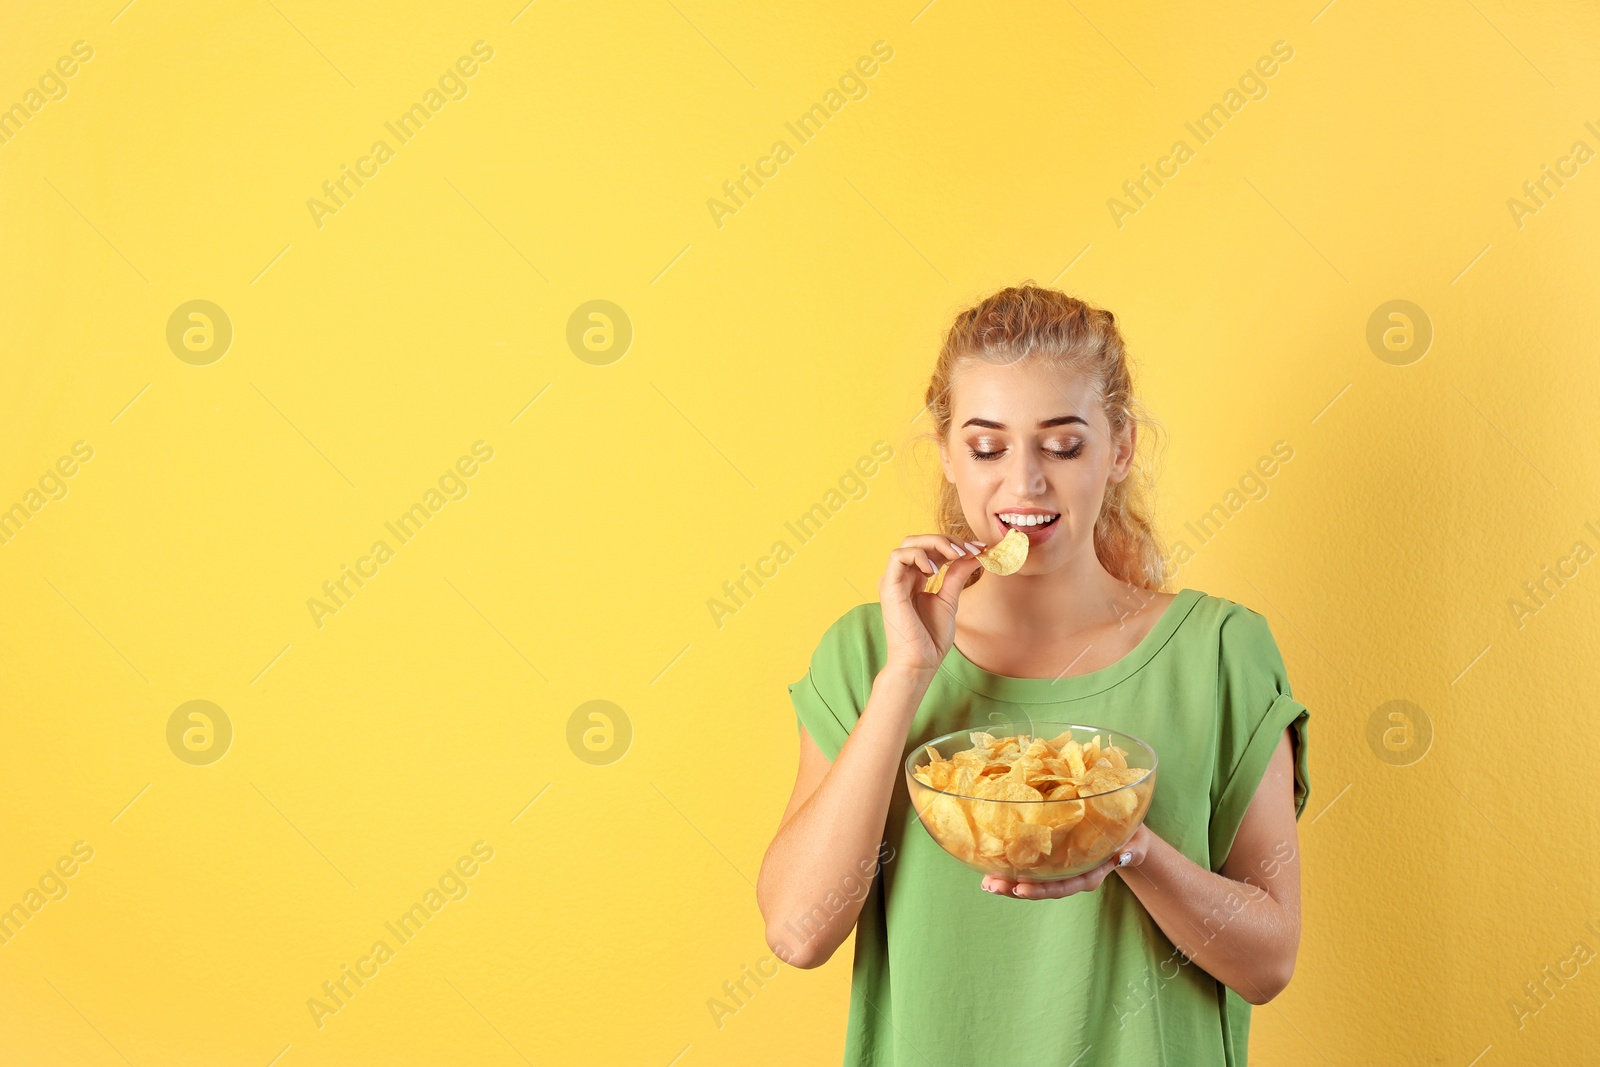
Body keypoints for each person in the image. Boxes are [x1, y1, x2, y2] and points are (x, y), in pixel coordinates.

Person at [755, 284, 1311, 1066]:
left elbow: (1269, 961)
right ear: (949, 457)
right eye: (988, 447)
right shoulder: (869, 652)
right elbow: (797, 931)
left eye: (1063, 444)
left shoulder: (1220, 651)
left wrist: (1127, 848)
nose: (1024, 483)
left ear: (1118, 449)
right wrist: (908, 674)